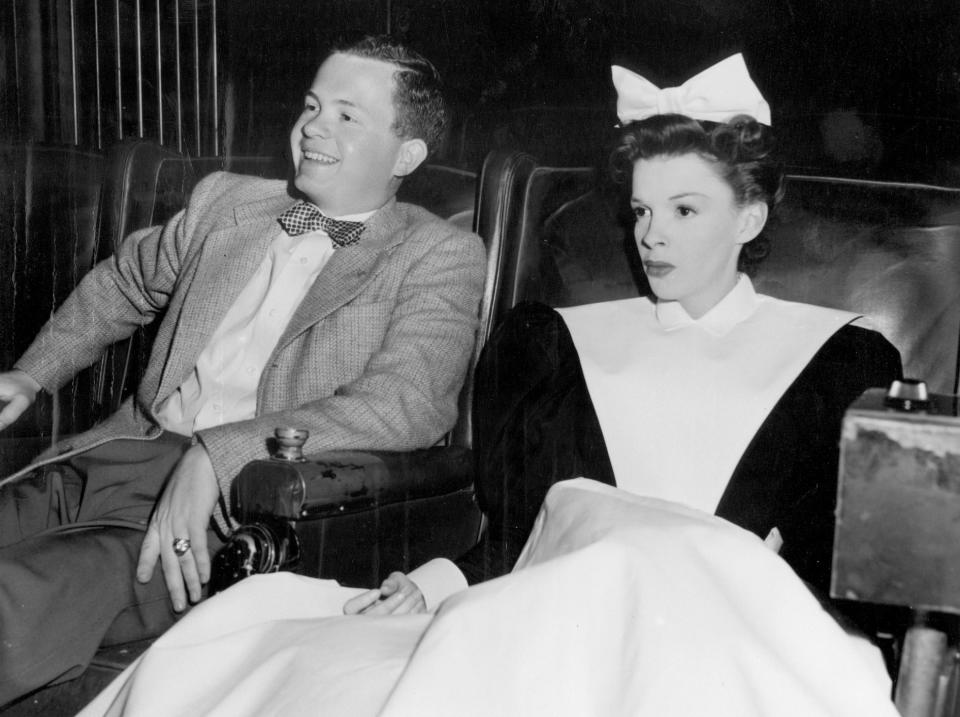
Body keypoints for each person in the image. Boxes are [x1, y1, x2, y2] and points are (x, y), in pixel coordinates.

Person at [79, 54, 904, 716]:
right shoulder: (557, 343)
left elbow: (843, 581)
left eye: (685, 211)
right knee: (276, 664)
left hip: (724, 637)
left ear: (751, 218)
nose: (651, 237)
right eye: (642, 211)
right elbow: (518, 534)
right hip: (555, 617)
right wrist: (437, 579)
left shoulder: (836, 362)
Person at [0, 35, 486, 706]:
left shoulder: (439, 253)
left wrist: (219, 455)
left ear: (408, 154)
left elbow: (407, 405)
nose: (314, 124)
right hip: (110, 456)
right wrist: (32, 374)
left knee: (13, 602)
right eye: (313, 105)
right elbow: (125, 284)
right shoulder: (227, 201)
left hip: (224, 511)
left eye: (347, 115)